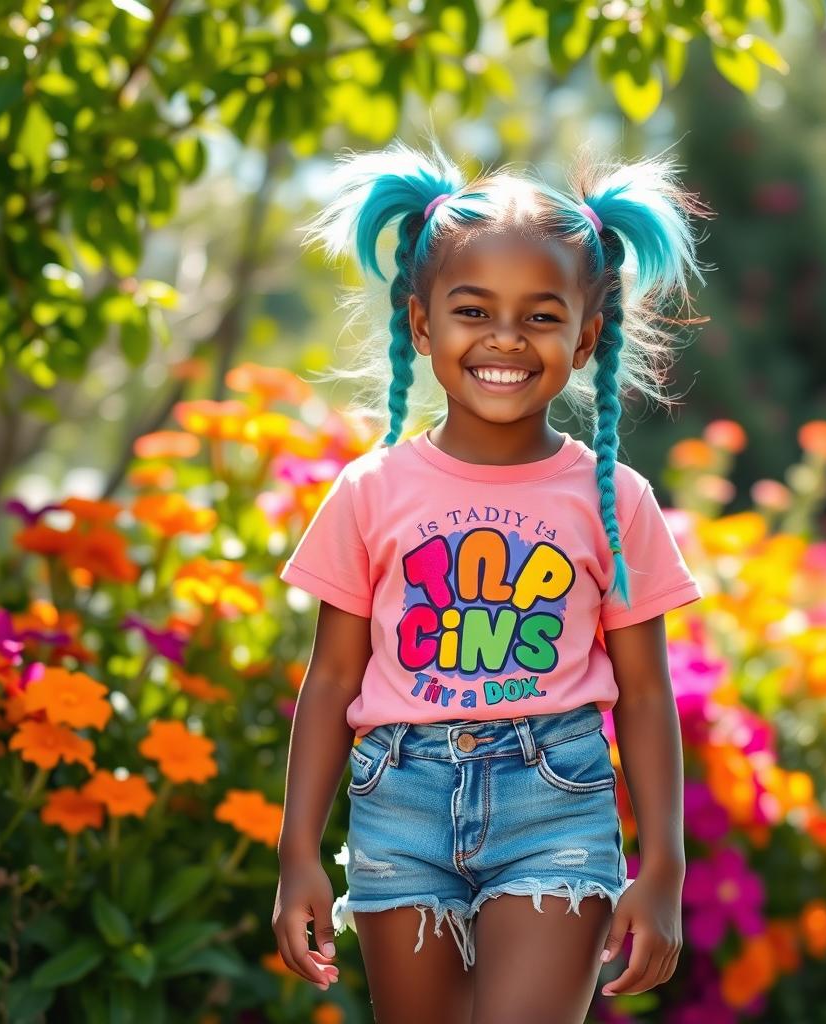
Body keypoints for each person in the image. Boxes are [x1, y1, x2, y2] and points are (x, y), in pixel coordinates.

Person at [272, 136, 713, 1024]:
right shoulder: (371, 492)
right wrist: (298, 856)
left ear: (586, 336)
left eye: (541, 316)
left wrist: (661, 864)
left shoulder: (613, 498)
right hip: (401, 802)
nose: (505, 338)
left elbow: (644, 691)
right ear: (422, 323)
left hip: (554, 802)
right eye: (473, 311)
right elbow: (330, 681)